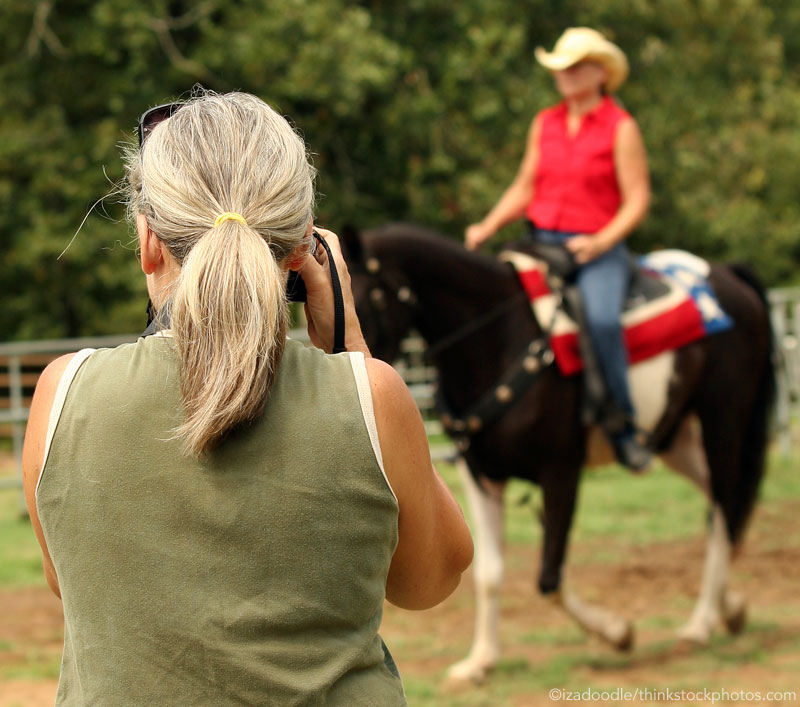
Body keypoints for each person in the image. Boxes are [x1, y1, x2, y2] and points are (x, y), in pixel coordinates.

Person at [22, 91, 473, 706]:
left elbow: (67, 581)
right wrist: (352, 352)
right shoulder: (370, 395)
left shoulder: (62, 393)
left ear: (148, 239)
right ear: (300, 253)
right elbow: (430, 581)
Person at [465, 27, 652, 471]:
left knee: (603, 320)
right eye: (560, 67)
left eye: (575, 66)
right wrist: (488, 224)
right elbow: (526, 186)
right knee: (496, 309)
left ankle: (623, 426)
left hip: (597, 250)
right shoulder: (545, 122)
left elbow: (638, 199)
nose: (565, 75)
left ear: (600, 72)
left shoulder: (620, 128)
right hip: (541, 243)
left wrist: (602, 241)